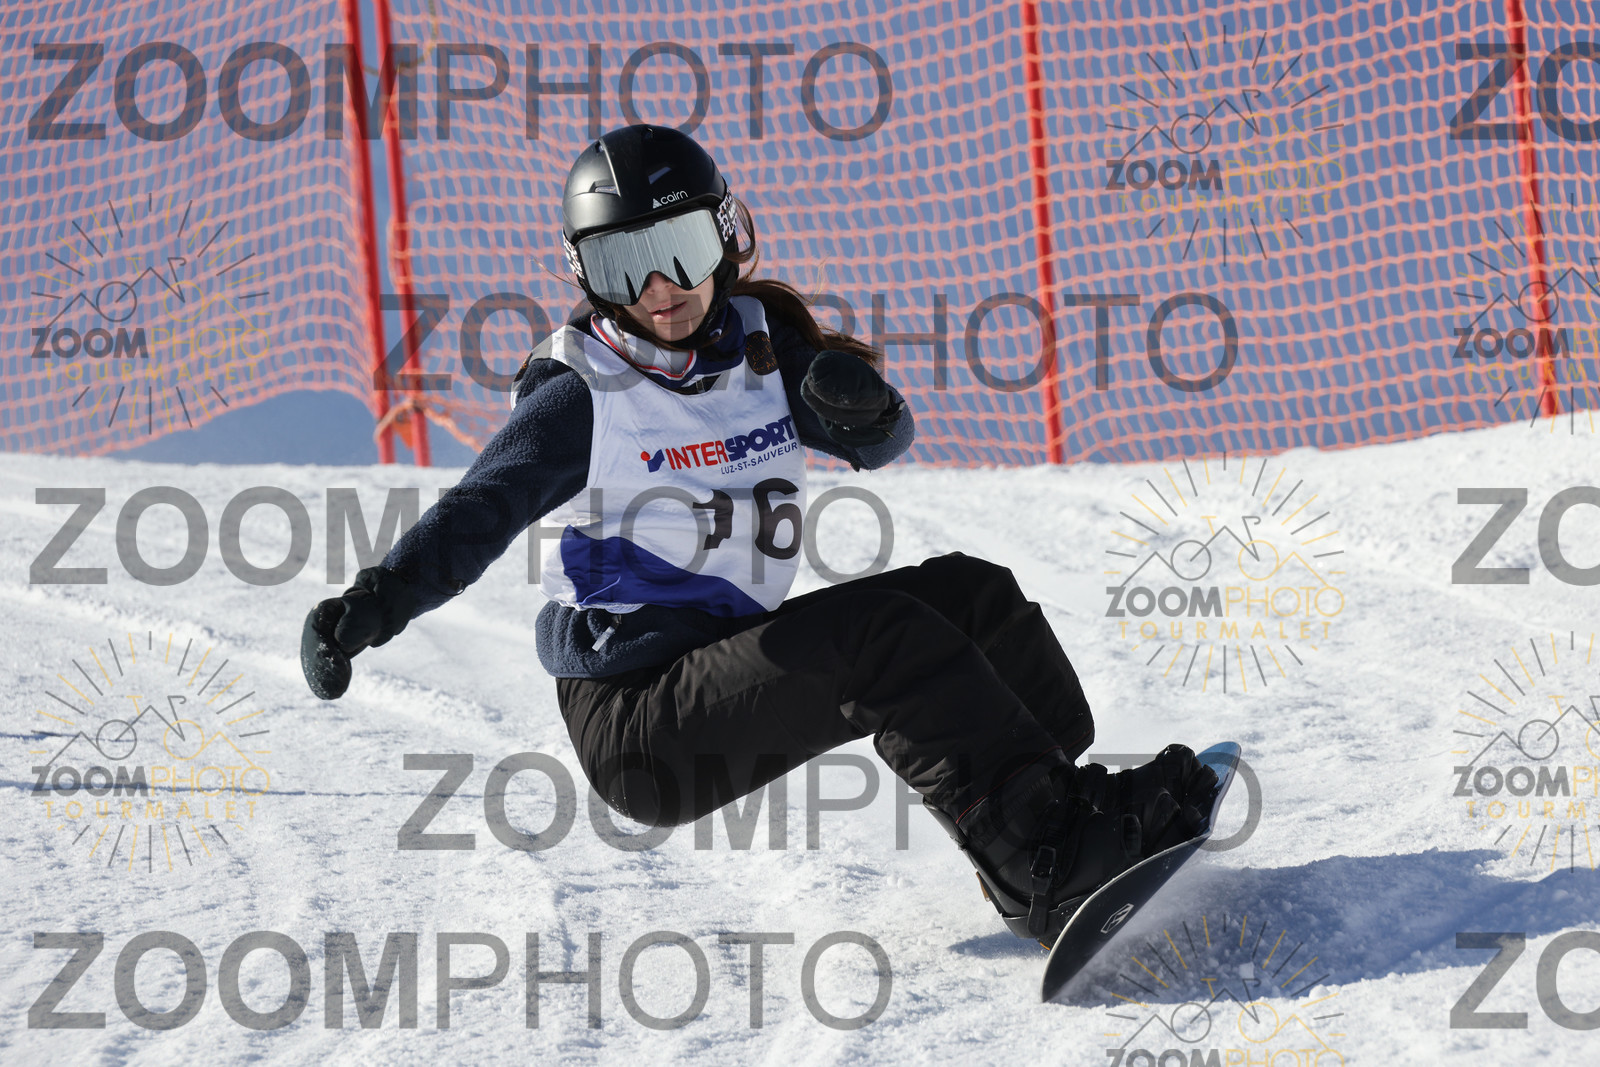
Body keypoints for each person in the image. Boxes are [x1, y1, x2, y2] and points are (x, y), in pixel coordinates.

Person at [300, 123, 1217, 946]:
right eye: (625, 265)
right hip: (639, 718)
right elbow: (479, 510)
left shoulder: (760, 341)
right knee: (880, 640)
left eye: (681, 248)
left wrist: (863, 407)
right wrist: (374, 601)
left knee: (970, 596)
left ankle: (1064, 810)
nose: (661, 289)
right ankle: (1046, 868)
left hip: (723, 656)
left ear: (725, 236)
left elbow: (879, 440)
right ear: (585, 275)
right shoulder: (584, 391)